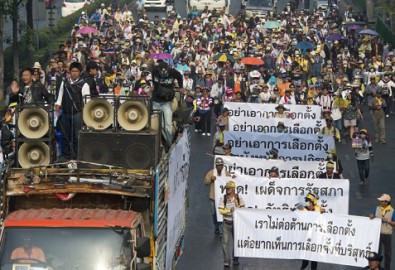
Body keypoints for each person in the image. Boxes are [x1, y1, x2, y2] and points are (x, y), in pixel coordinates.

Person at [55, 61, 90, 161]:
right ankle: (65, 155)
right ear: (69, 72)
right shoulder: (64, 82)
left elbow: (87, 101)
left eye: (76, 71)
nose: (74, 73)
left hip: (77, 113)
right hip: (65, 113)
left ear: (80, 72)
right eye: (73, 71)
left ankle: (76, 156)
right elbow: (60, 95)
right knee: (65, 135)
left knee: (76, 136)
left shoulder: (84, 84)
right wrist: (58, 104)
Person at [152, 61, 183, 147]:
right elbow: (152, 79)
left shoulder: (173, 72)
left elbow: (180, 76)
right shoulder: (154, 71)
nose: (163, 72)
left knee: (168, 124)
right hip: (156, 101)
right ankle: (160, 143)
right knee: (158, 125)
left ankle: (170, 144)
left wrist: (181, 87)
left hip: (167, 102)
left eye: (164, 70)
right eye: (161, 70)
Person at [218, 180, 245, 267]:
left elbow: (243, 208)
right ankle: (226, 260)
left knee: (236, 242)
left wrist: (238, 207)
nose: (227, 189)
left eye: (229, 188)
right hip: (226, 222)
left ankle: (235, 258)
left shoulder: (238, 198)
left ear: (233, 189)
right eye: (227, 188)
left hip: (236, 223)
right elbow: (220, 211)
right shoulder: (223, 198)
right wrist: (229, 210)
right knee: (225, 242)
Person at [204, 157, 231, 236]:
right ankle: (216, 227)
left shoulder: (226, 173)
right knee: (214, 214)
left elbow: (230, 182)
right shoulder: (211, 173)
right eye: (218, 165)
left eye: (221, 165)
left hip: (223, 198)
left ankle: (222, 230)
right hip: (213, 197)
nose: (220, 167)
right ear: (216, 165)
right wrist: (211, 179)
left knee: (222, 214)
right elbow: (205, 182)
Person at [369, 194, 395, 270]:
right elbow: (371, 215)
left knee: (387, 254)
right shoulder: (376, 209)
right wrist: (371, 216)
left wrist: (388, 221)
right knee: (378, 253)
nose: (380, 201)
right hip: (378, 235)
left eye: (382, 201)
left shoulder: (392, 211)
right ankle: (378, 268)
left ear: (386, 202)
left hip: (387, 235)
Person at [300, 193, 324, 270]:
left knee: (314, 260)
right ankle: (303, 267)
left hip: (316, 237)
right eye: (306, 201)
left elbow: (325, 217)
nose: (307, 202)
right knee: (305, 260)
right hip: (306, 237)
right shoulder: (304, 209)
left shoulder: (319, 209)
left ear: (312, 202)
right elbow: (297, 214)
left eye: (308, 201)